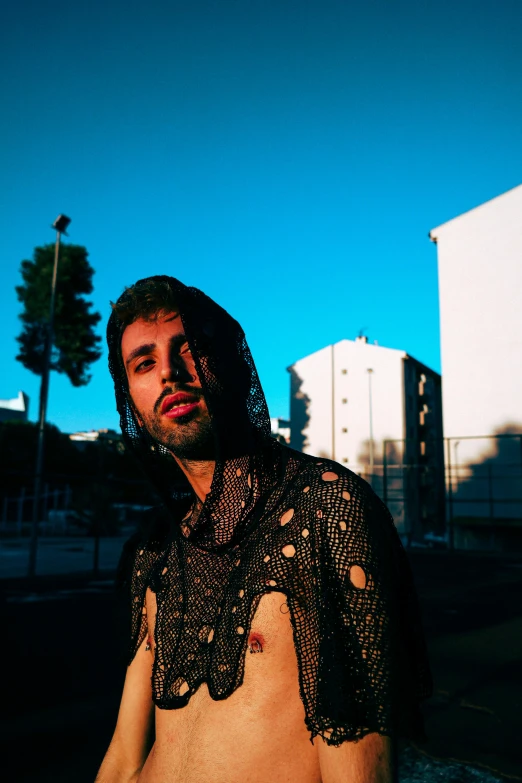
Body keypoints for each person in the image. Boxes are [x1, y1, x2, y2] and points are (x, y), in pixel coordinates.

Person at [96, 275, 432, 783]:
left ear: (233, 361)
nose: (169, 373)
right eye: (144, 363)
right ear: (132, 401)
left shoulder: (324, 508)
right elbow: (123, 757)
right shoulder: (156, 546)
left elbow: (357, 763)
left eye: (193, 348)